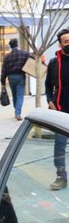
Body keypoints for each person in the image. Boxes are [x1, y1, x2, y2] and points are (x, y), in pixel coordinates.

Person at [45, 29, 69, 191]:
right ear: (60, 44)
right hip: (61, 111)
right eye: (66, 41)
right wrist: (50, 102)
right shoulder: (54, 63)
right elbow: (47, 86)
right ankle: (61, 176)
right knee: (59, 146)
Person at [0, 38, 29, 121]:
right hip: (20, 76)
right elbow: (32, 60)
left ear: (10, 46)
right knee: (20, 95)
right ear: (17, 44)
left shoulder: (7, 57)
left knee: (14, 95)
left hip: (11, 77)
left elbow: (4, 70)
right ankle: (18, 113)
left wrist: (3, 82)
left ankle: (16, 111)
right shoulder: (24, 54)